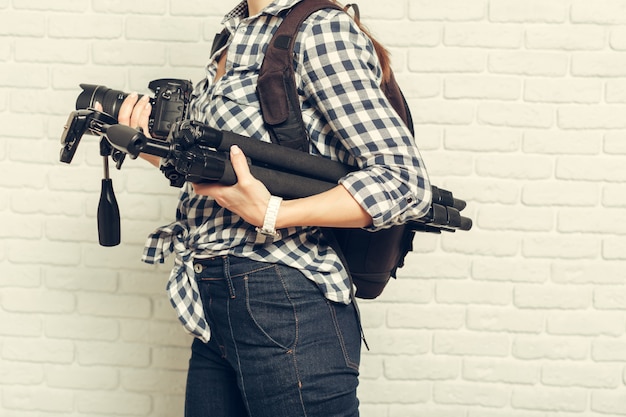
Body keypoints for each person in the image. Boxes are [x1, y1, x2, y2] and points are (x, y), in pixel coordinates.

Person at [114, 0, 432, 415]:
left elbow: (403, 180)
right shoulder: (234, 34)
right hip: (210, 299)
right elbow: (231, 178)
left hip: (285, 301)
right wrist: (153, 149)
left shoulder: (320, 30)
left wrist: (274, 213)